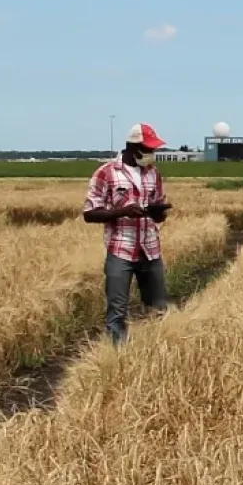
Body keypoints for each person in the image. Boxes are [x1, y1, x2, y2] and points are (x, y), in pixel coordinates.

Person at [83, 123, 174, 344]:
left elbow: (158, 211)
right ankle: (117, 360)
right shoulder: (106, 173)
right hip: (120, 249)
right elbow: (89, 213)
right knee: (117, 311)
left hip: (150, 249)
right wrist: (123, 211)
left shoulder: (153, 173)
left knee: (158, 309)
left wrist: (158, 212)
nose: (152, 154)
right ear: (134, 147)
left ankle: (155, 353)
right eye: (149, 149)